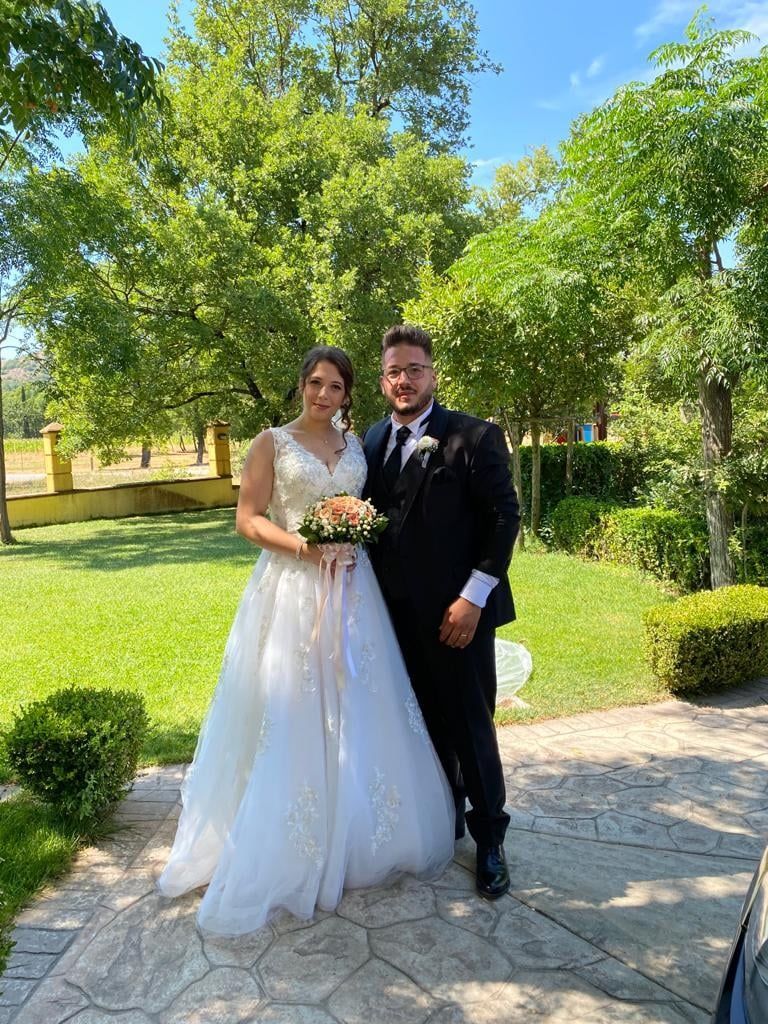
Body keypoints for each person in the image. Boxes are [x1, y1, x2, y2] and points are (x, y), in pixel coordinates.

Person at [156, 346, 454, 935]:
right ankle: (283, 845)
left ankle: (360, 835)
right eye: (316, 383)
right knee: (291, 705)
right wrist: (305, 548)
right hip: (292, 588)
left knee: (360, 701)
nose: (324, 395)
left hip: (354, 591)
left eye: (336, 386)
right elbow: (247, 519)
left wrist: (350, 537)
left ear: (347, 394)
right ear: (301, 385)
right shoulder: (271, 442)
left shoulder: (357, 445)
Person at [363, 324, 520, 899]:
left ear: (433, 374)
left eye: (414, 369)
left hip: (458, 617)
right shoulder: (372, 438)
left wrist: (472, 598)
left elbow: (504, 517)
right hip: (390, 616)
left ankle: (491, 839)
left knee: (470, 726)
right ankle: (441, 819)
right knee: (419, 723)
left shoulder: (474, 436)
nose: (404, 380)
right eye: (394, 372)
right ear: (383, 381)